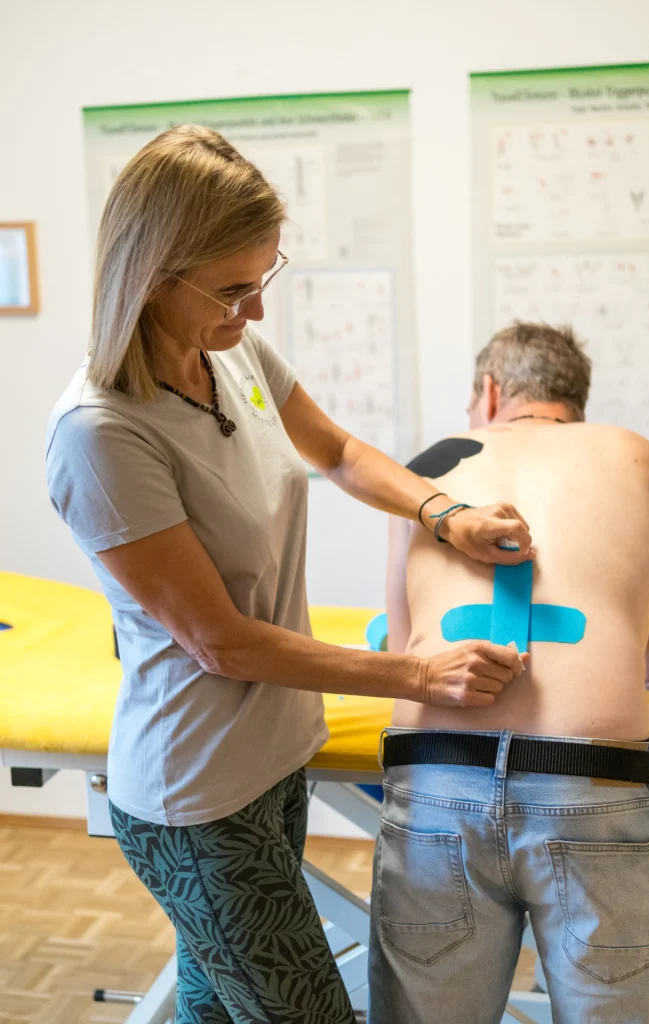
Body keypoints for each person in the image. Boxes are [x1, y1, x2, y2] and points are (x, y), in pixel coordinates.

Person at [44, 125, 531, 1024]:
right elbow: (220, 643)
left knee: (215, 1008)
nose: (256, 312)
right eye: (233, 290)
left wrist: (443, 511)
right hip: (195, 800)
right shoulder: (101, 435)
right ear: (152, 275)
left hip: (273, 762)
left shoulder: (231, 356)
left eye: (264, 278)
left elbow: (337, 449)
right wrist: (419, 674)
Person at [370, 321, 649, 1024]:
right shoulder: (648, 463)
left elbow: (401, 649)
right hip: (594, 784)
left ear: (488, 393)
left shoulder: (420, 477)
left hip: (436, 778)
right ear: (576, 401)